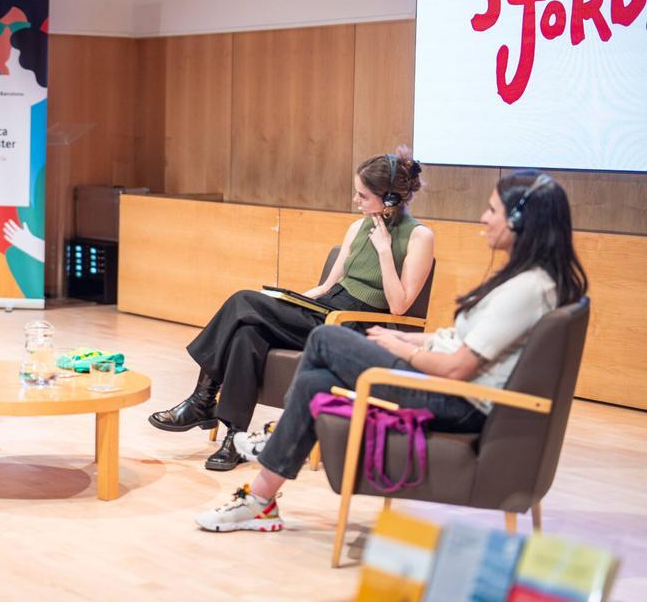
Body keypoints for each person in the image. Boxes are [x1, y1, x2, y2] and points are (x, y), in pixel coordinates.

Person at [195, 170, 587, 533]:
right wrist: (413, 341)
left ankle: (274, 442)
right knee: (316, 380)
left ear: (520, 221)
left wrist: (401, 346)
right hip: (451, 390)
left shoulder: (526, 290)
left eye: (492, 210)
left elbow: (456, 370)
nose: (483, 218)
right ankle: (262, 497)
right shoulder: (532, 282)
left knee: (325, 340)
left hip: (457, 401)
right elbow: (467, 344)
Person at [149, 148, 434, 471]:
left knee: (243, 300)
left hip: (352, 326)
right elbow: (327, 286)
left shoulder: (420, 236)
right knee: (247, 330)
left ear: (391, 199)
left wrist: (384, 252)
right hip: (325, 310)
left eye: (363, 195)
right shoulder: (358, 228)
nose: (356, 201)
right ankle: (235, 437)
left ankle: (203, 400)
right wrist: (286, 301)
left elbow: (399, 307)